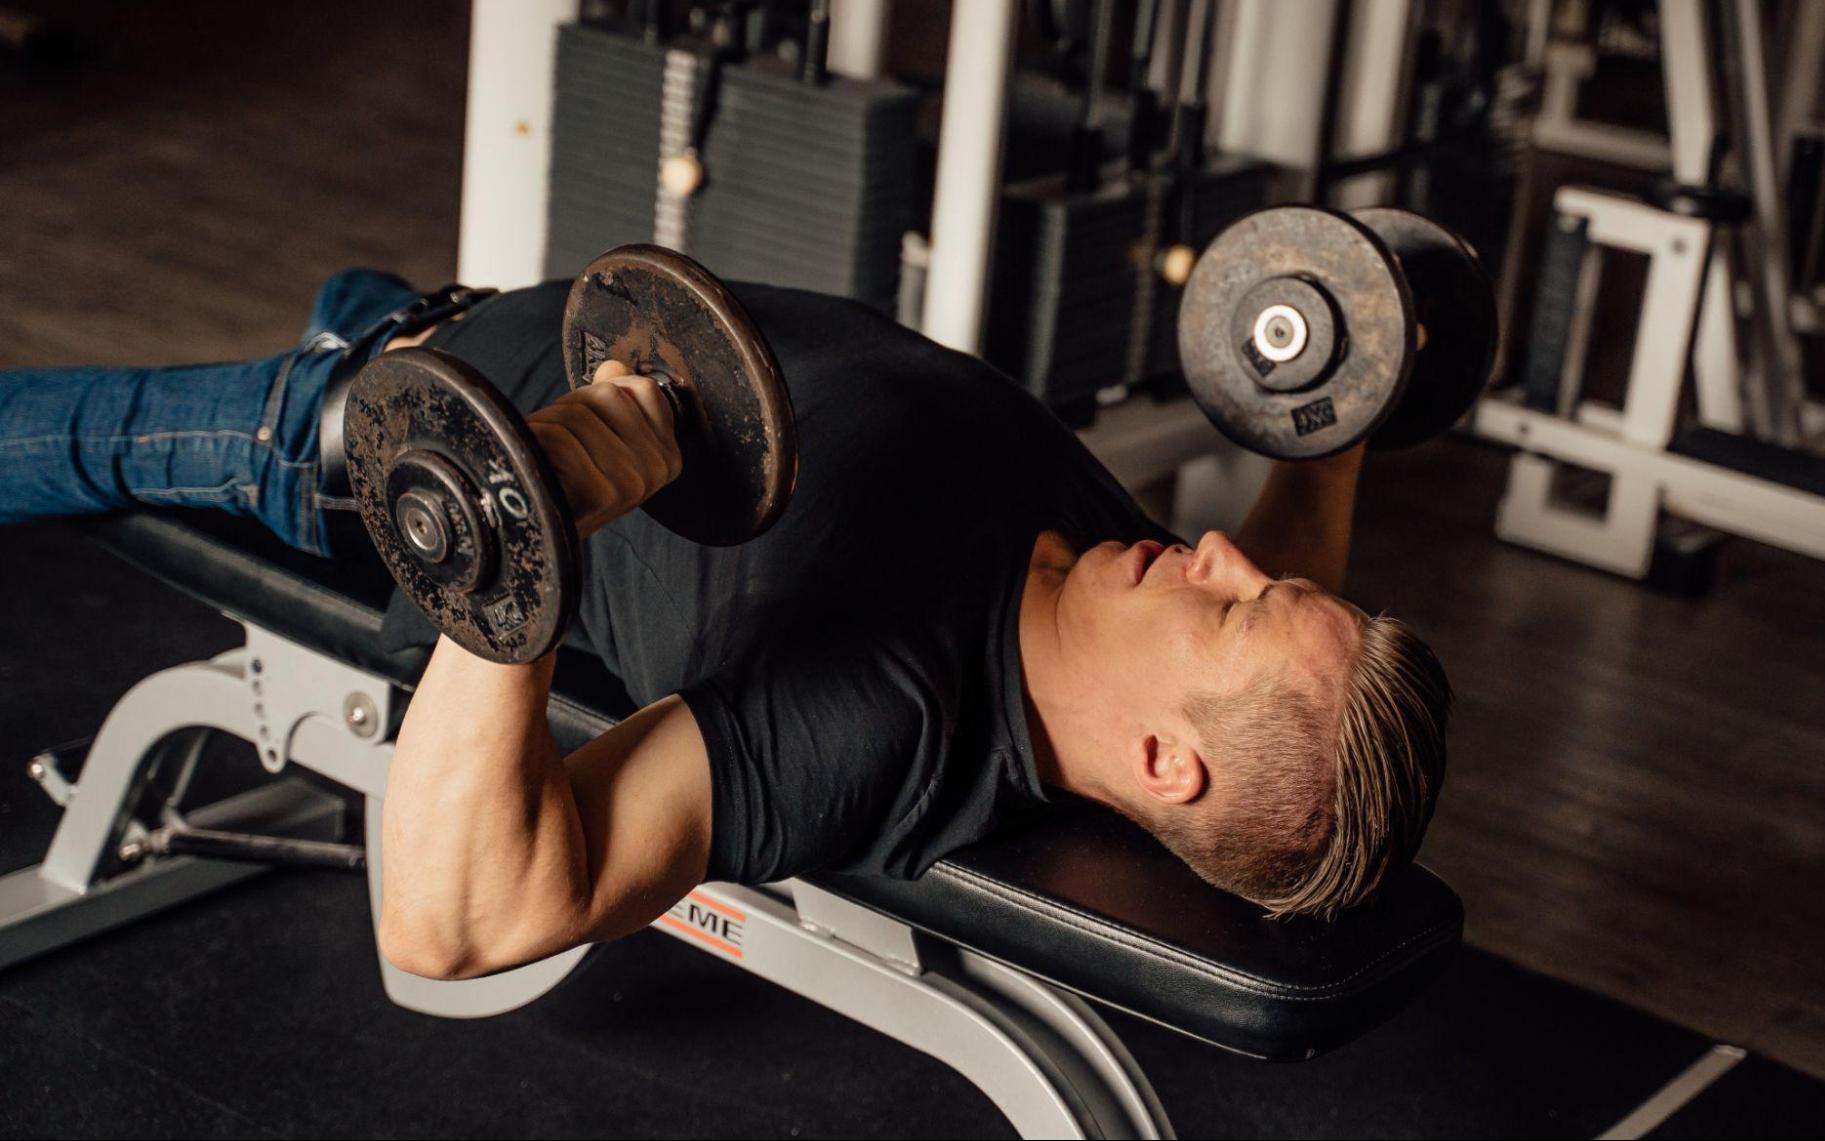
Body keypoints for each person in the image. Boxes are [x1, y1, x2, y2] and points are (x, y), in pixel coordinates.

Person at [0, 266, 1452, 979]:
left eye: (1235, 609)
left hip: (336, 438)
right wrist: (1348, 387)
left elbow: (454, 922)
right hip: (460, 319)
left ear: (1164, 763)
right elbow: (1289, 568)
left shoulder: (873, 717)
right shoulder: (1128, 599)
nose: (1212, 550)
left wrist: (525, 527)